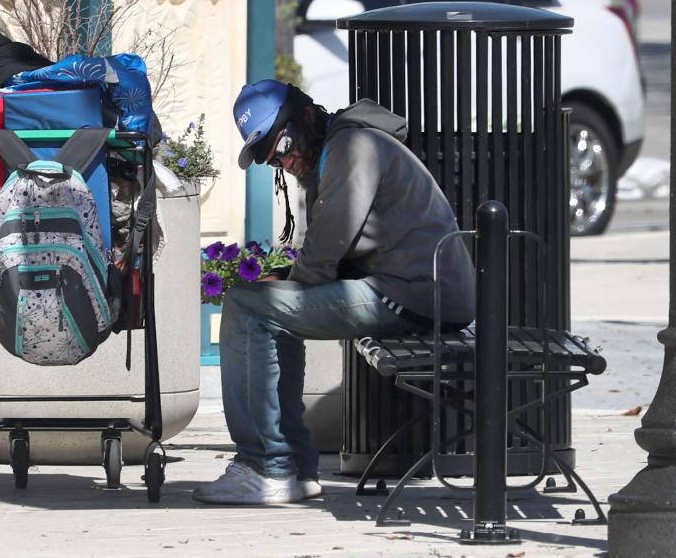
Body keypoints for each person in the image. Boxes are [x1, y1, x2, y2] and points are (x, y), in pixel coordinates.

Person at [192, 80, 476, 505]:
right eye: (272, 158)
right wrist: (289, 277)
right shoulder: (334, 150)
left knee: (246, 307)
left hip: (415, 295)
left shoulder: (353, 146)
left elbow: (330, 242)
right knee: (267, 310)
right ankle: (293, 469)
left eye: (282, 143)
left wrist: (290, 279)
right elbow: (329, 254)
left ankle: (265, 466)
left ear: (308, 114)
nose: (284, 160)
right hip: (409, 290)